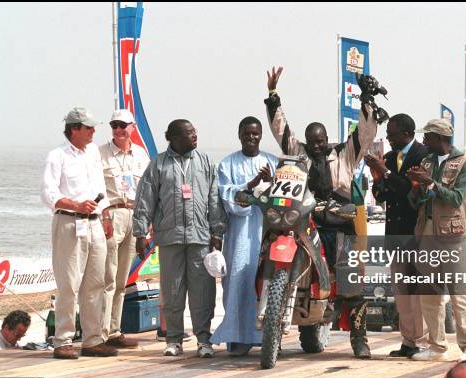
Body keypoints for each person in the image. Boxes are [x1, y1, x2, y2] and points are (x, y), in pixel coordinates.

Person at [264, 66, 378, 358]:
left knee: (351, 283)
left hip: (339, 226)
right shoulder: (298, 152)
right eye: (312, 141)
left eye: (320, 141)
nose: (316, 146)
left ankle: (359, 338)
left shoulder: (344, 153)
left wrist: (366, 100)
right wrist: (273, 95)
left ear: (326, 139)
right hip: (306, 223)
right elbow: (281, 129)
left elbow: (364, 134)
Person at [133, 119, 226, 358]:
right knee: (173, 291)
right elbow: (145, 200)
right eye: (189, 133)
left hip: (200, 237)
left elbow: (214, 200)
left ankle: (204, 340)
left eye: (195, 131)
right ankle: (174, 339)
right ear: (174, 138)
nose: (195, 136)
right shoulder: (159, 165)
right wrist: (140, 233)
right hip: (170, 238)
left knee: (202, 292)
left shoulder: (205, 162)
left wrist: (217, 232)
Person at [40, 107, 117, 359]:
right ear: (74, 129)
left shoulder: (93, 152)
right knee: (69, 283)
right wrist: (76, 205)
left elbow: (100, 186)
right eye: (88, 127)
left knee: (95, 281)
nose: (94, 131)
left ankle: (93, 339)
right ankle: (62, 340)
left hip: (94, 222)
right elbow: (48, 194)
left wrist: (105, 216)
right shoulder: (57, 156)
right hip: (69, 222)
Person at [407, 118, 466, 361]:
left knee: (460, 293)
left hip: (453, 235)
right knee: (429, 292)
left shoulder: (465, 164)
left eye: (427, 137)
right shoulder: (426, 161)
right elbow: (415, 202)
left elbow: (456, 198)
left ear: (440, 138)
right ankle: (437, 347)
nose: (424, 141)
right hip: (427, 233)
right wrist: (416, 187)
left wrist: (431, 183)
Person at [210, 116, 278, 357]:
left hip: (266, 230)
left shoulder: (272, 161)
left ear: (261, 135)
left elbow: (283, 196)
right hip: (240, 232)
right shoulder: (227, 164)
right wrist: (252, 183)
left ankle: (266, 337)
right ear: (239, 135)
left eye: (255, 133)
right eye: (246, 134)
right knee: (237, 282)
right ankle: (237, 337)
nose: (251, 138)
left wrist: (272, 182)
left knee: (266, 281)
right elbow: (228, 199)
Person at [365, 113, 429, 359]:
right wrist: (379, 179)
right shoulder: (390, 158)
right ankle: (408, 340)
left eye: (392, 134)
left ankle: (422, 341)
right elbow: (383, 197)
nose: (388, 139)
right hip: (395, 234)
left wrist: (387, 174)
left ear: (407, 134)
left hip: (416, 233)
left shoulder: (422, 156)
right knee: (401, 291)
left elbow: (407, 193)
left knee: (418, 292)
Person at [98, 109, 150, 349]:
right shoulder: (101, 153)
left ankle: (114, 330)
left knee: (121, 280)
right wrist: (104, 215)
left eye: (122, 125)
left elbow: (149, 190)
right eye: (114, 125)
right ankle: (100, 333)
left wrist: (147, 222)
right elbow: (94, 188)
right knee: (106, 278)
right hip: (112, 214)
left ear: (132, 126)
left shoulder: (140, 154)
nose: (118, 130)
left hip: (134, 214)